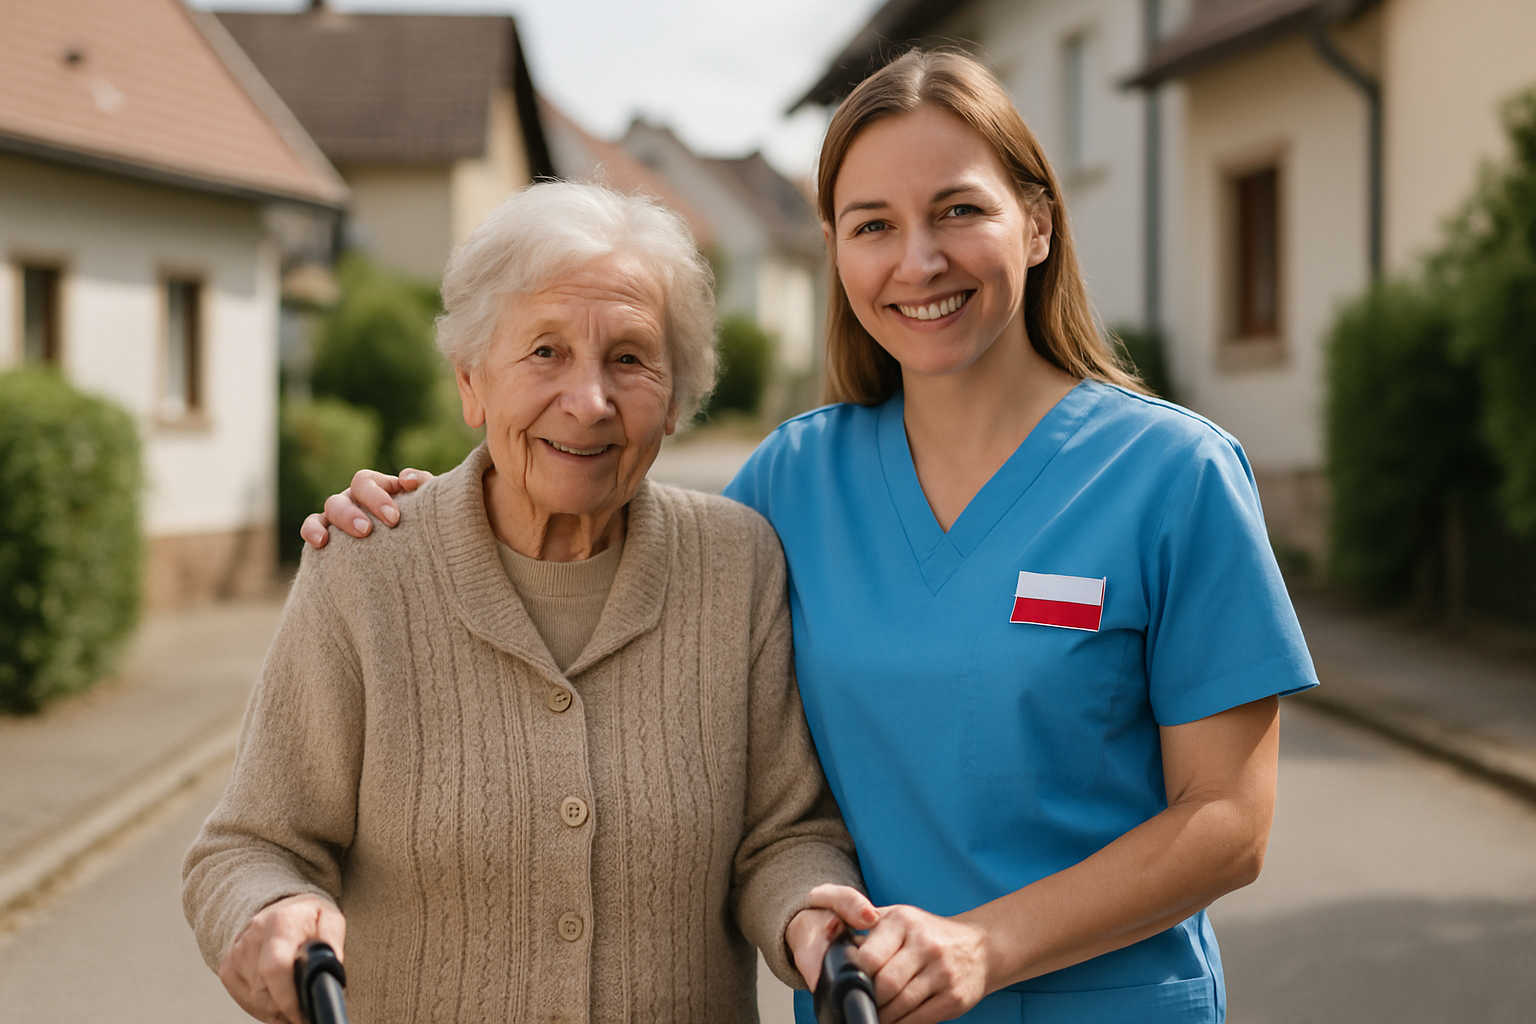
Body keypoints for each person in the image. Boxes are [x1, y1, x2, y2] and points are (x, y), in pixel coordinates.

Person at [308, 50, 1318, 1024]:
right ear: (836, 250)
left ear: (1039, 224)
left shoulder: (1174, 477)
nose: (918, 260)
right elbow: (578, 533)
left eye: (959, 210)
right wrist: (406, 516)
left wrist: (987, 944)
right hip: (861, 1006)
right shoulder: (792, 483)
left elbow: (1229, 822)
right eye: (872, 224)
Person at [184, 181, 868, 1024]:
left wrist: (812, 912)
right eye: (544, 352)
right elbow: (252, 844)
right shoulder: (366, 570)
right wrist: (269, 913)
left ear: (677, 396)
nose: (588, 401)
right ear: (472, 383)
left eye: (629, 358)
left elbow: (783, 835)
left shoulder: (739, 564)